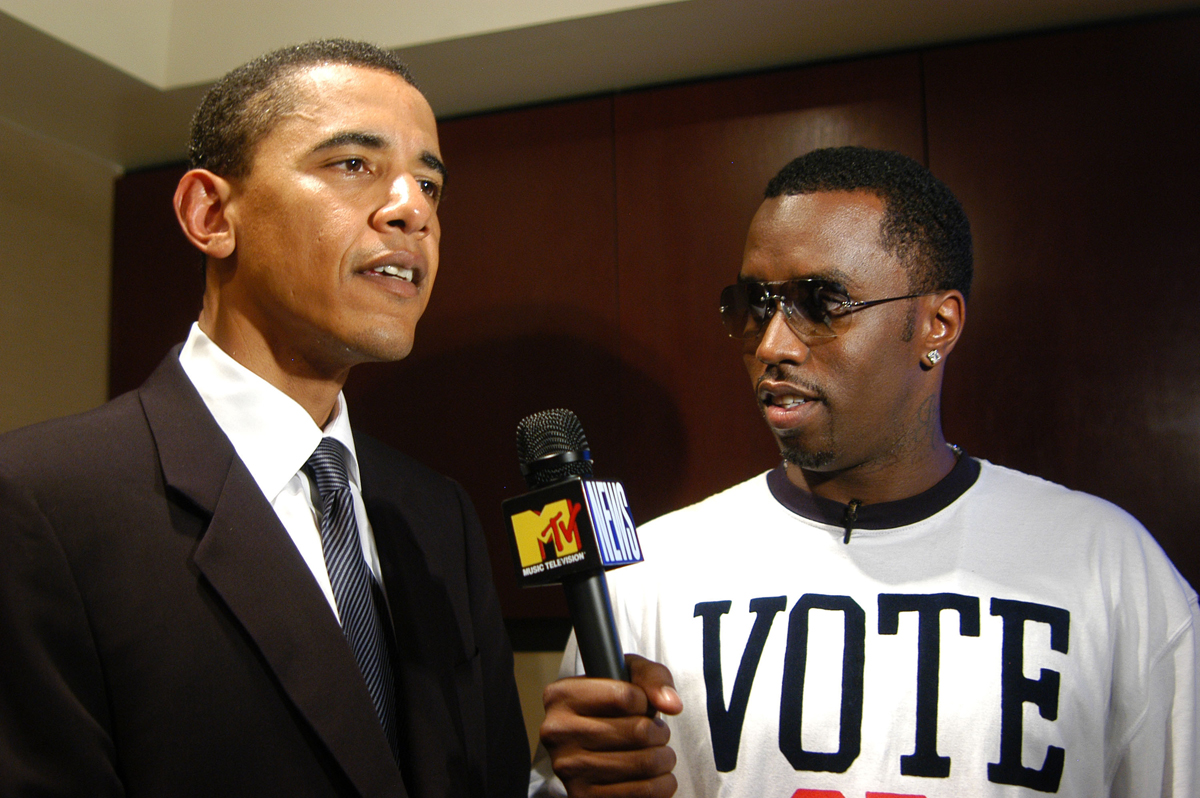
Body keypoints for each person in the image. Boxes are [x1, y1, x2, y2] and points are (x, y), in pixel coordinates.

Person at [530, 146, 1199, 798]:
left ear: (937, 325)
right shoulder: (648, 578)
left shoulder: (1110, 570)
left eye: (822, 304)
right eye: (754, 304)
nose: (772, 345)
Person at [0, 40, 528, 797]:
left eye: (430, 185)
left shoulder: (436, 516)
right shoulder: (41, 500)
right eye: (354, 165)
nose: (413, 210)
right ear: (210, 213)